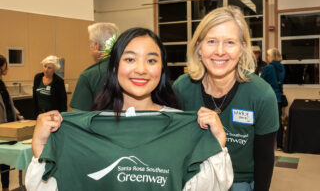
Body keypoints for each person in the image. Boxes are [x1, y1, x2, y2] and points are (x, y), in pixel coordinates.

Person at [26, 28, 233, 191]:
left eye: (151, 60)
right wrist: (41, 149)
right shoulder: (79, 130)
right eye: (130, 59)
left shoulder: (184, 128)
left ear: (161, 69)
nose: (141, 69)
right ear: (114, 68)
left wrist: (216, 146)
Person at [173, 6, 279, 191]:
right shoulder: (182, 88)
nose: (220, 51)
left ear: (242, 48)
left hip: (239, 182)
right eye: (211, 41)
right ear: (199, 47)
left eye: (230, 42)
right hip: (193, 178)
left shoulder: (261, 94)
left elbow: (265, 159)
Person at [69, 22, 119, 111]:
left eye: (90, 44)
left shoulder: (89, 76)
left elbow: (79, 116)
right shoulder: (132, 69)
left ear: (97, 46)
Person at [0, 55, 23, 191]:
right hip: (2, 127)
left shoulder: (2, 84)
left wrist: (18, 115)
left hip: (9, 125)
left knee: (5, 161)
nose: (6, 68)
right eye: (5, 65)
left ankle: (6, 188)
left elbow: (9, 104)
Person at [261, 48, 285, 150]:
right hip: (278, 97)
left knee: (266, 121)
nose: (267, 57)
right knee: (279, 121)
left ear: (272, 56)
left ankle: (267, 144)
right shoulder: (282, 67)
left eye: (268, 55)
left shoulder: (268, 68)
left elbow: (261, 82)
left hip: (268, 98)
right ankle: (279, 144)